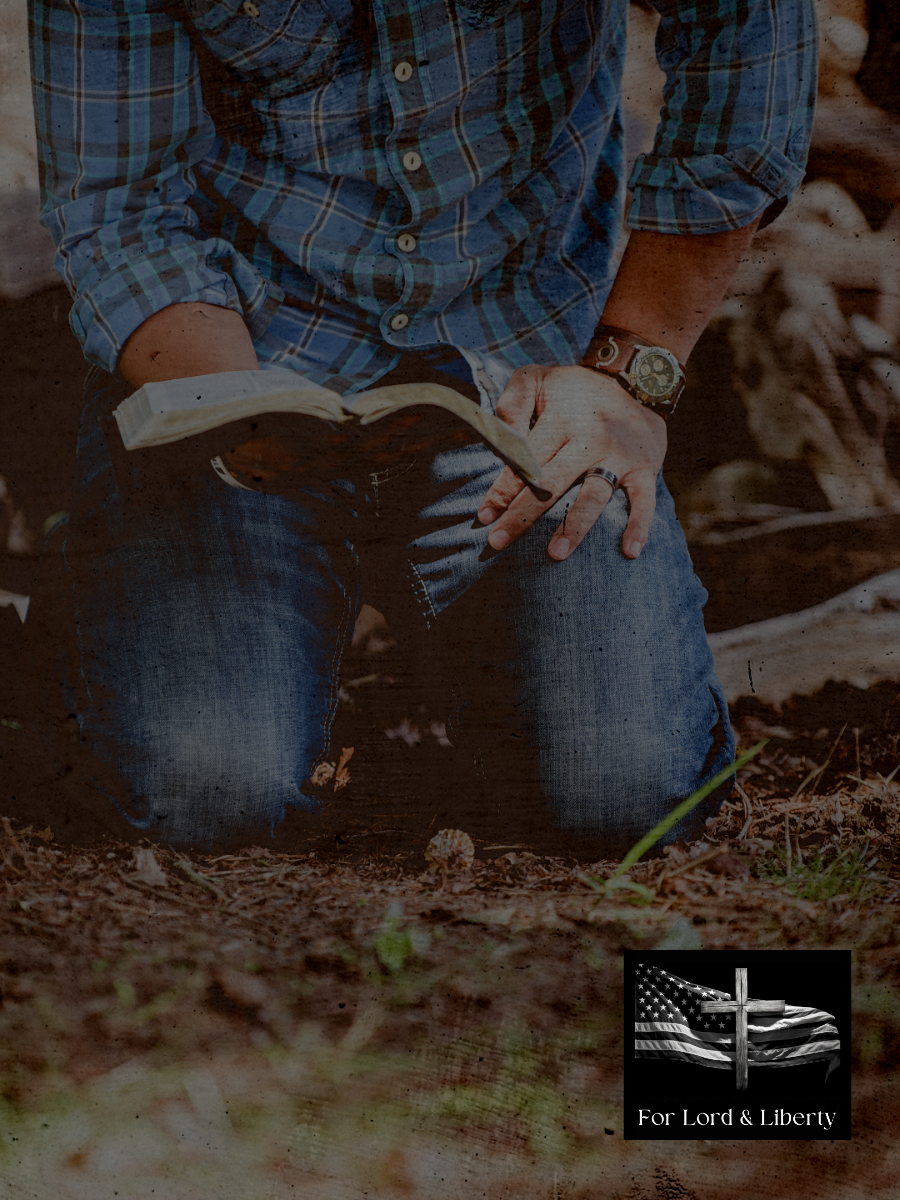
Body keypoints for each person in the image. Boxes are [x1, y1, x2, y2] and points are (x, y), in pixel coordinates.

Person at [27, 0, 817, 853]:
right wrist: (232, 403)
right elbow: (123, 202)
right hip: (236, 358)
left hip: (524, 375)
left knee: (625, 793)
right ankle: (115, 622)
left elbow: (752, 28)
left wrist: (632, 372)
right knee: (205, 791)